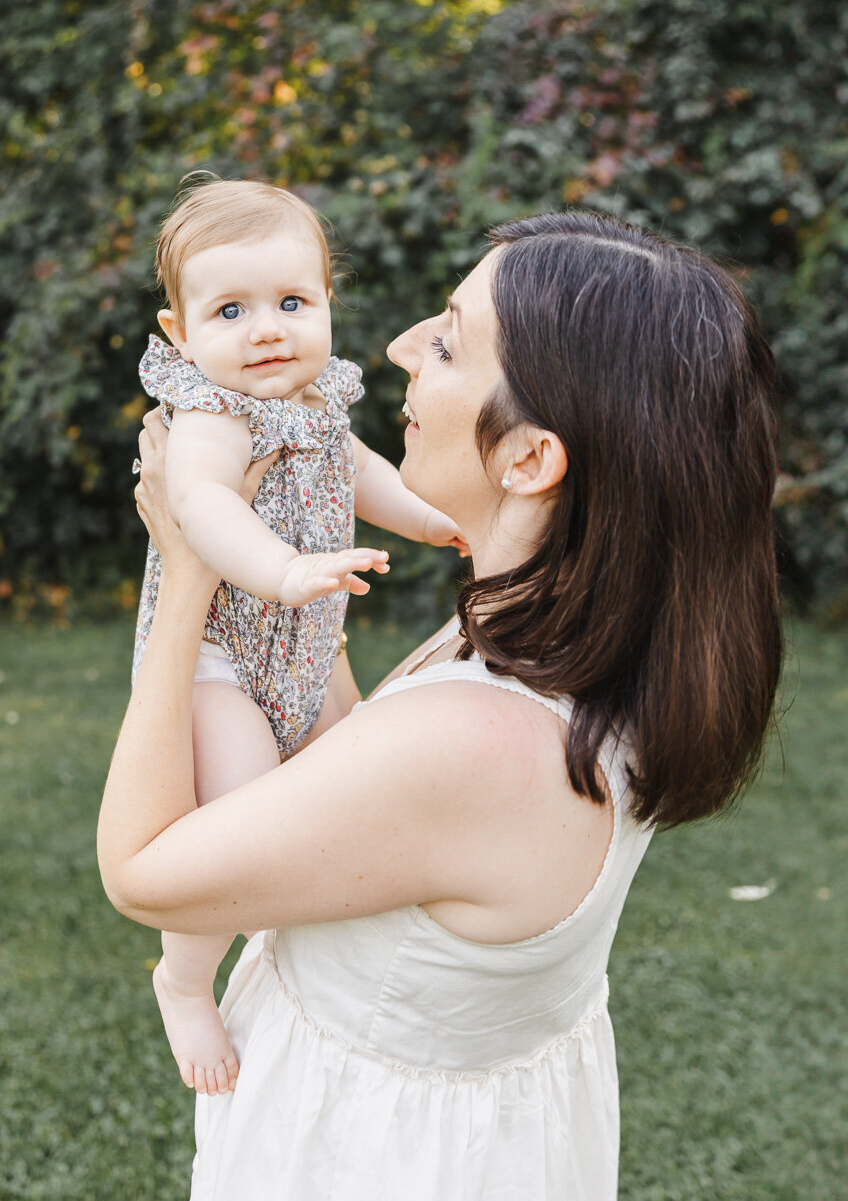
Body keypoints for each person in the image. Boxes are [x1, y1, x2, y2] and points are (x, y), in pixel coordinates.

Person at [99, 211, 782, 1200]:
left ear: (530, 459)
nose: (399, 346)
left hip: (370, 1161)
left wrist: (187, 573)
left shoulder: (473, 739)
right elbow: (345, 770)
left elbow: (142, 875)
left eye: (450, 341)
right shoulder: (570, 639)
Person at [131, 177, 467, 1097]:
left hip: (304, 646)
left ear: (326, 303)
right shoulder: (209, 415)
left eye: (291, 303)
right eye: (230, 310)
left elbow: (363, 474)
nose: (267, 330)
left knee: (342, 775)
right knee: (241, 818)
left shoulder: (321, 402)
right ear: (180, 334)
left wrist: (434, 520)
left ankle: (318, 937)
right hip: (222, 656)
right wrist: (281, 571)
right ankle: (184, 977)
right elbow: (198, 504)